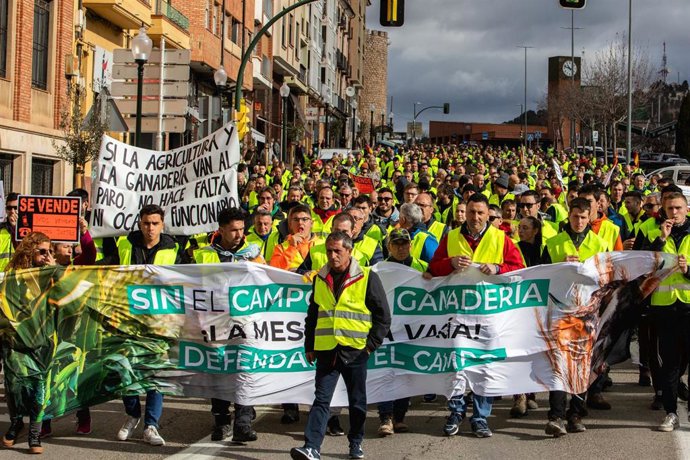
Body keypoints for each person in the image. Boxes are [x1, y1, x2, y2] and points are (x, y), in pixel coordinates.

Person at [429, 193, 525, 438]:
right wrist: (449, 263)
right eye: (472, 212)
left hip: (488, 317)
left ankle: (481, 417)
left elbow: (519, 270)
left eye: (481, 213)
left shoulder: (500, 238)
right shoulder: (450, 237)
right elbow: (432, 269)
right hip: (457, 317)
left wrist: (498, 268)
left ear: (488, 214)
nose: (475, 217)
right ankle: (456, 412)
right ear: (465, 212)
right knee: (457, 365)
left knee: (484, 367)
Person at [290, 231, 391, 460]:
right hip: (326, 349)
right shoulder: (319, 278)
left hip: (355, 350)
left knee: (357, 402)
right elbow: (313, 315)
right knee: (321, 399)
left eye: (338, 251)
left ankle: (355, 442)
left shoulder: (367, 277)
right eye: (329, 251)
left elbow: (383, 316)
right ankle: (312, 447)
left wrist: (370, 345)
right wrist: (309, 344)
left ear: (349, 251)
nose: (332, 255)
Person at [109, 205, 186, 447]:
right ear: (139, 223)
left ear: (162, 224)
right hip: (127, 320)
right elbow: (102, 268)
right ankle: (132, 415)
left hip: (160, 323)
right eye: (146, 223)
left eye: (155, 223)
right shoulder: (124, 244)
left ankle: (151, 425)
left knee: (155, 375)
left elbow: (187, 282)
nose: (150, 228)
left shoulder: (174, 249)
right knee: (126, 372)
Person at [193, 207, 263, 443]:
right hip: (215, 322)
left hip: (246, 322)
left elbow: (269, 279)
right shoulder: (203, 255)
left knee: (245, 370)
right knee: (219, 371)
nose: (239, 234)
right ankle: (221, 421)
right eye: (233, 230)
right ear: (221, 229)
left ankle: (243, 421)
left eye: (242, 229)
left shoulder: (253, 252)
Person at [542, 197, 609, 436]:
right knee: (558, 364)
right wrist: (560, 266)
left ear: (590, 217)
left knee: (582, 364)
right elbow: (541, 275)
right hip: (559, 311)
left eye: (583, 217)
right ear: (568, 216)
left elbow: (606, 279)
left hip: (588, 312)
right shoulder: (553, 242)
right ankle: (556, 416)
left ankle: (576, 413)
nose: (579, 221)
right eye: (574, 217)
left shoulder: (600, 243)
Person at [40, 216, 97, 438]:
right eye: (66, 246)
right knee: (48, 379)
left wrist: (84, 231)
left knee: (75, 376)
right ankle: (44, 424)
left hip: (73, 332)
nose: (71, 249)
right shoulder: (42, 271)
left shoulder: (77, 267)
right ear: (53, 250)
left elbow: (90, 254)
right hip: (48, 332)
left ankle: (83, 417)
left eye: (73, 246)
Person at [1, 232, 56, 454]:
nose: (46, 255)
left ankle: (35, 433)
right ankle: (16, 422)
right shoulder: (11, 275)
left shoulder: (52, 273)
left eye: (49, 251)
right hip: (14, 341)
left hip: (42, 340)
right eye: (42, 251)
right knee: (14, 387)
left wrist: (54, 269)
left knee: (39, 388)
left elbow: (65, 294)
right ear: (29, 250)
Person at [641, 192, 690, 432]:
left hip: (689, 306)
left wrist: (688, 269)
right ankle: (671, 412)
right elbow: (644, 268)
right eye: (670, 209)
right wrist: (661, 239)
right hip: (664, 307)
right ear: (663, 210)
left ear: (687, 208)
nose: (674, 213)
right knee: (669, 362)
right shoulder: (654, 234)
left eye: (678, 208)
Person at [0, 192, 19, 270]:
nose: (12, 211)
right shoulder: (0, 229)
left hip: (19, 276)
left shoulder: (28, 231)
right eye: (9, 208)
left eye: (15, 208)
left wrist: (15, 228)